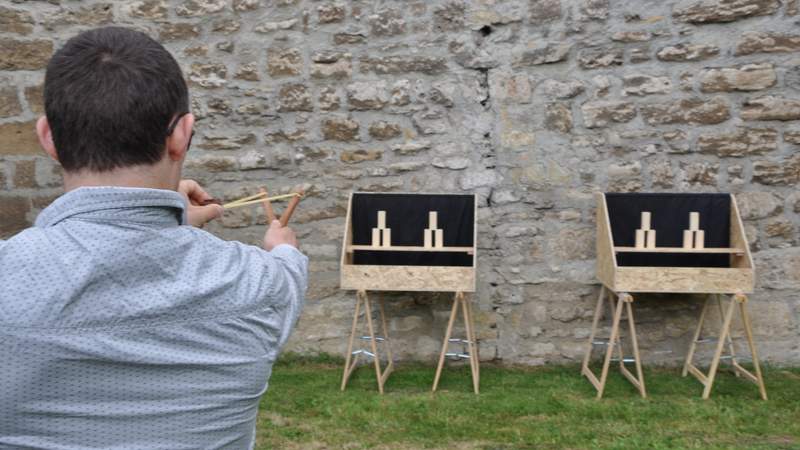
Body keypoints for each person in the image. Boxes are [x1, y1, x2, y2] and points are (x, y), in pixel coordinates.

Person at [0, 27, 307, 449]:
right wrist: (281, 245)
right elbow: (286, 263)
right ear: (181, 135)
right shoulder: (261, 283)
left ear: (48, 137)